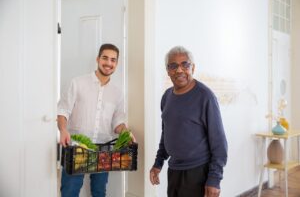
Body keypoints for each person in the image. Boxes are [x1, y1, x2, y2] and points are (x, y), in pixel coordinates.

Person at [57, 43, 134, 197]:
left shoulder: (117, 93)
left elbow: (118, 121)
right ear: (98, 59)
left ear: (116, 64)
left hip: (104, 150)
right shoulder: (77, 83)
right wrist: (63, 130)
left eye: (113, 60)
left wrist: (126, 133)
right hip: (76, 148)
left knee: (99, 192)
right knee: (70, 192)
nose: (109, 63)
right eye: (105, 58)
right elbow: (63, 110)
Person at [149, 46, 228, 197]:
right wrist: (158, 163)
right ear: (168, 71)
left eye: (185, 64)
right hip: (174, 171)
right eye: (173, 66)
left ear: (193, 67)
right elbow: (167, 133)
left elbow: (219, 143)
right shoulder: (166, 97)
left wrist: (214, 179)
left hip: (198, 172)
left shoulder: (205, 97)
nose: (179, 70)